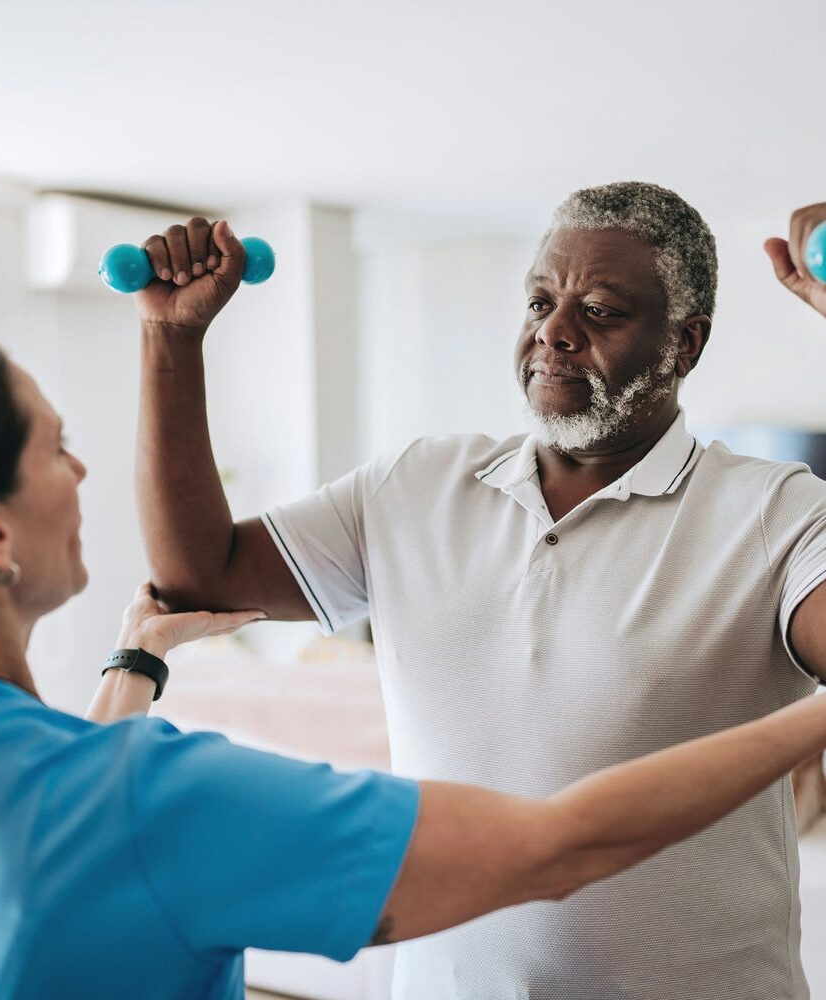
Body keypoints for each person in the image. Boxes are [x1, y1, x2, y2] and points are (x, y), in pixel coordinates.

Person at [0, 324, 822, 1000]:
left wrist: (134, 665)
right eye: (56, 448)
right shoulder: (146, 799)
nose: (81, 471)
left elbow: (53, 839)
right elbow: (560, 845)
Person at [134, 189, 826, 999]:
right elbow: (201, 576)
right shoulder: (418, 483)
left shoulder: (776, 512)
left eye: (600, 311)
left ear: (683, 344)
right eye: (540, 299)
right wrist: (170, 338)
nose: (553, 331)